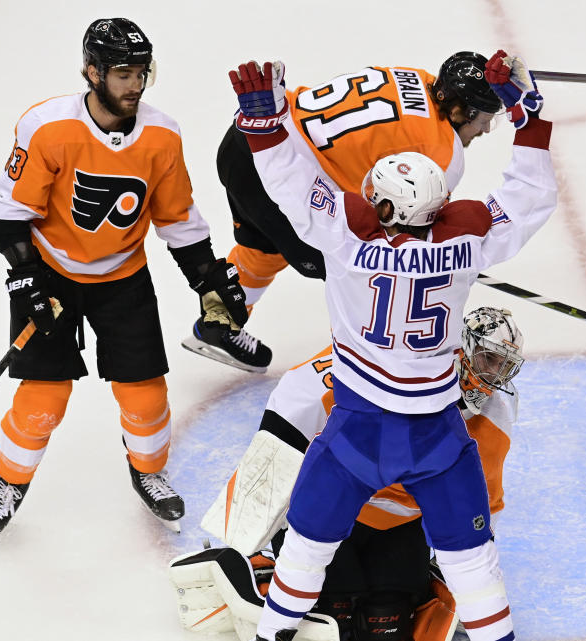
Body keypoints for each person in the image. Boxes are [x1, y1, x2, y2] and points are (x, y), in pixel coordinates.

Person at [227, 50, 554, 641]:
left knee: (303, 553)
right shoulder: (467, 238)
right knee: (475, 569)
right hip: (438, 438)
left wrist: (266, 129)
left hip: (356, 432)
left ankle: (268, 635)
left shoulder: (344, 235)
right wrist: (529, 119)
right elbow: (531, 195)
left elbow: (292, 186)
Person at [0, 18, 248, 539]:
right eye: (122, 74)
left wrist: (207, 279)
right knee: (42, 402)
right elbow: (8, 218)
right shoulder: (47, 127)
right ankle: (10, 483)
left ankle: (148, 472)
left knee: (145, 397)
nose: (135, 86)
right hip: (50, 274)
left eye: (141, 73)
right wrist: (26, 280)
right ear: (91, 71)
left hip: (123, 278)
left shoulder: (162, 135)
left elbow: (178, 219)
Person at [170, 307, 525, 641]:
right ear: (461, 346)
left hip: (398, 524)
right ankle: (257, 571)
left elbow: (483, 500)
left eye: (503, 366)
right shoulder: (389, 368)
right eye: (488, 358)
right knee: (334, 616)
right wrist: (261, 521)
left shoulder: (496, 413)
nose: (492, 376)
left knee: (386, 624)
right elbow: (294, 403)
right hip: (334, 503)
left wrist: (464, 567)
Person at [181, 52, 503, 373]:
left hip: (248, 138)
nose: (486, 129)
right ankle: (364, 369)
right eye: (484, 119)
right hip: (277, 166)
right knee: (360, 269)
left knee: (265, 244)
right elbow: (410, 229)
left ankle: (218, 321)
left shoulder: (419, 76)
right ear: (461, 110)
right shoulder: (444, 155)